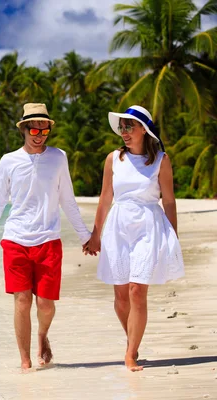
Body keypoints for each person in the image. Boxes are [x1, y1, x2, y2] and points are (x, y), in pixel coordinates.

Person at [0, 103, 91, 372]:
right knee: (22, 301)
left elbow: (67, 199)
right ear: (23, 129)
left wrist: (85, 236)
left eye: (44, 129)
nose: (39, 134)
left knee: (45, 305)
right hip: (15, 240)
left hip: (48, 240)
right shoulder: (8, 161)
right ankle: (25, 361)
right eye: (34, 128)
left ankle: (43, 336)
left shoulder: (59, 157)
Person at [84, 105, 184, 372]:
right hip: (118, 227)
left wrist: (172, 237)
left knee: (137, 290)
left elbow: (170, 202)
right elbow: (105, 199)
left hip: (149, 227)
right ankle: (133, 340)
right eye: (122, 127)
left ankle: (130, 354)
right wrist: (95, 234)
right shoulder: (113, 159)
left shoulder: (161, 160)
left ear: (144, 129)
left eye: (129, 126)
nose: (124, 131)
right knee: (120, 297)